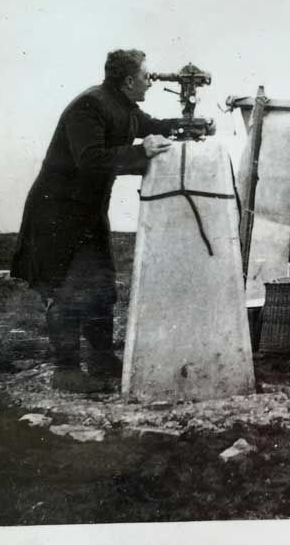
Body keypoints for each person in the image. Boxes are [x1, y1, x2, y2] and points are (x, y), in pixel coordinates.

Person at [11, 49, 179, 393]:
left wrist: (186, 126)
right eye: (146, 76)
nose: (151, 82)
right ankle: (66, 370)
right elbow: (90, 161)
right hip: (57, 213)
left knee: (101, 286)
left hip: (88, 213)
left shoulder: (124, 107)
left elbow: (152, 126)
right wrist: (141, 151)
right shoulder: (90, 106)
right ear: (129, 80)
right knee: (65, 289)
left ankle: (102, 359)